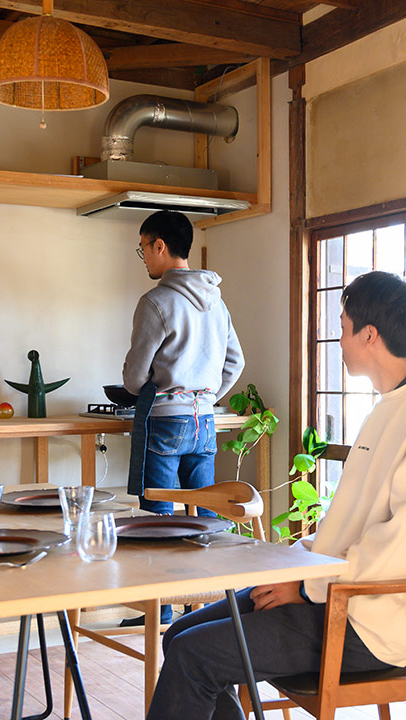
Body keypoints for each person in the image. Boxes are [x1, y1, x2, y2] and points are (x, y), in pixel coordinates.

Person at [145, 271, 406, 720]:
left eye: (343, 328)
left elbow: (400, 550)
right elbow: (349, 527)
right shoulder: (390, 408)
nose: (339, 340)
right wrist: (293, 567)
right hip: (335, 594)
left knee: (194, 655)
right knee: (179, 634)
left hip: (369, 625)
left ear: (370, 335)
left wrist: (304, 586)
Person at [122, 210, 245, 626]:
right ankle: (209, 608)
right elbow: (235, 362)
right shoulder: (217, 300)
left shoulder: (156, 301)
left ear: (160, 246)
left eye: (143, 249)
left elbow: (135, 375)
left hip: (165, 420)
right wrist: (206, 396)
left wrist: (159, 391)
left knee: (161, 516)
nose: (144, 258)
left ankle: (163, 610)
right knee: (205, 514)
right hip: (204, 422)